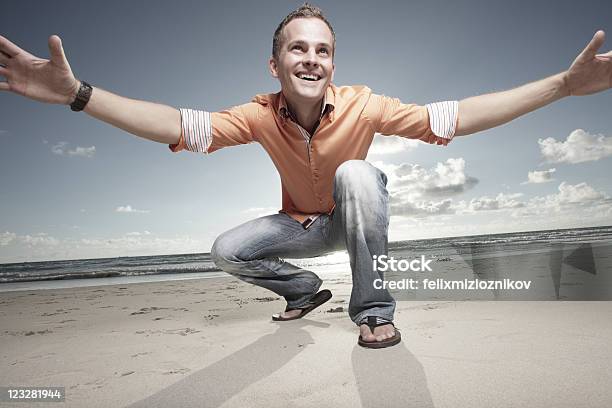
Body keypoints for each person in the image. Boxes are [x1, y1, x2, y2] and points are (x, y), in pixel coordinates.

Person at [1, 3, 610, 349]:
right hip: (304, 227)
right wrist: (79, 95)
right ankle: (302, 290)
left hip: (356, 211)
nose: (311, 58)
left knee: (359, 173)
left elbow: (457, 116)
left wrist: (561, 85)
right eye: (298, 48)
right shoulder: (258, 113)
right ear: (276, 63)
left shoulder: (367, 103)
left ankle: (373, 309)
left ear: (333, 64)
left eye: (322, 50)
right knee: (227, 250)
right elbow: (177, 126)